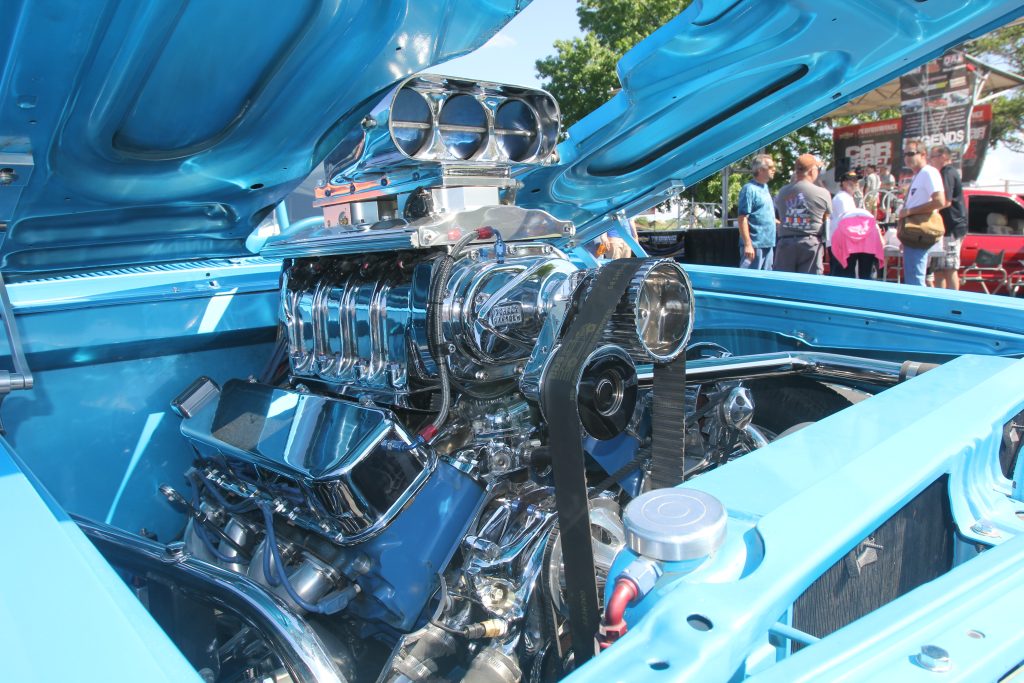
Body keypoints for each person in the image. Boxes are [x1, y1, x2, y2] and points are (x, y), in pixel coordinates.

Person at [898, 140, 946, 286]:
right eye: (905, 154)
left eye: (911, 153)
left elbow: (940, 201)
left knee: (916, 279)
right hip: (912, 232)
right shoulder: (918, 175)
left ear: (923, 154)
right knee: (913, 276)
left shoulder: (929, 172)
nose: (907, 157)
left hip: (919, 230)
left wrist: (909, 211)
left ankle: (918, 307)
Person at [774, 154, 832, 275]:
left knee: (783, 287)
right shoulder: (823, 193)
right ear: (812, 171)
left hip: (785, 244)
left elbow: (778, 213)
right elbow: (827, 217)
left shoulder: (782, 191)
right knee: (809, 288)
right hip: (810, 245)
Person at [929, 145, 968, 290]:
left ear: (943, 156)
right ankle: (940, 302)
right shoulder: (942, 174)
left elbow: (945, 201)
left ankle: (953, 302)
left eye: (933, 156)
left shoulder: (948, 172)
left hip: (952, 227)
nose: (930, 160)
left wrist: (927, 211)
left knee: (950, 267)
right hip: (942, 229)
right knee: (938, 269)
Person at [737, 154, 777, 269]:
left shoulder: (765, 188)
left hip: (768, 244)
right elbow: (742, 217)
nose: (774, 169)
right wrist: (748, 244)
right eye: (770, 167)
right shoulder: (749, 189)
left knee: (765, 282)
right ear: (760, 170)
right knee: (748, 282)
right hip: (754, 246)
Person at [828, 171, 859, 276]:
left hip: (841, 243)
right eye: (853, 181)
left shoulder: (846, 197)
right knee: (843, 275)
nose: (856, 183)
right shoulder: (843, 198)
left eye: (856, 180)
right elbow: (847, 221)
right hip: (842, 244)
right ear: (844, 183)